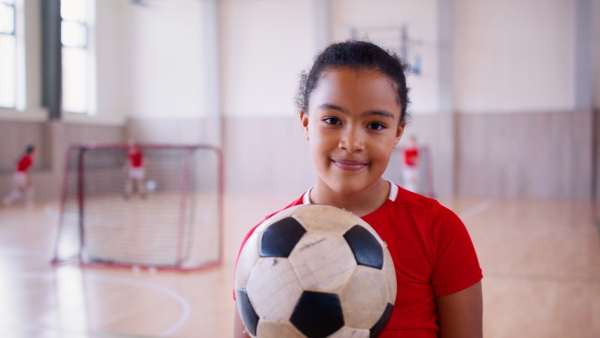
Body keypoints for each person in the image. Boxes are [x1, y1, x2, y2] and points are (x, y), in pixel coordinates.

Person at [233, 41, 482, 337]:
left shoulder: (439, 230)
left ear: (397, 133)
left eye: (375, 125)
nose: (351, 143)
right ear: (306, 124)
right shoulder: (263, 244)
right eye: (332, 120)